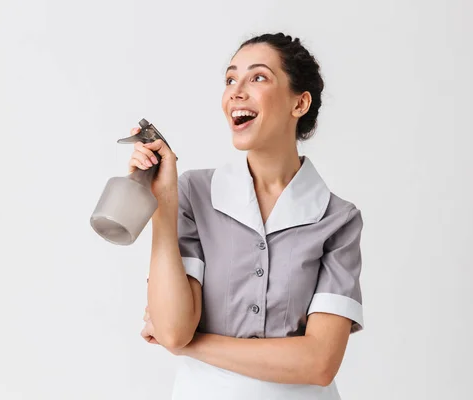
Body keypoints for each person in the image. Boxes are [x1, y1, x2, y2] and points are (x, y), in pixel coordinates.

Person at [133, 32, 364, 400]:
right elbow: (175, 329)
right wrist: (163, 205)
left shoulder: (338, 219)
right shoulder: (195, 193)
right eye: (230, 79)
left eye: (258, 77)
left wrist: (192, 346)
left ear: (299, 103)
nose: (236, 92)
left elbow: (319, 363)